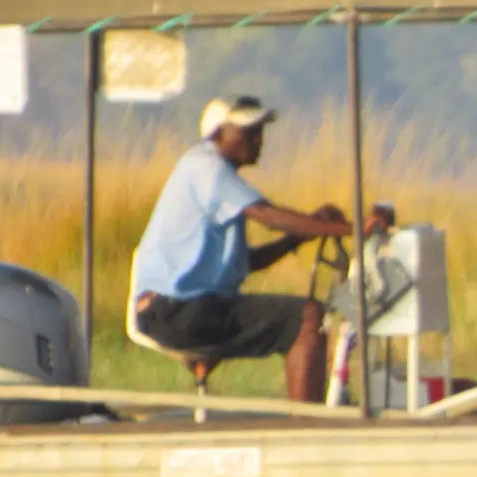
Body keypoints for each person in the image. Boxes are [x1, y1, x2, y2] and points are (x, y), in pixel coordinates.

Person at [130, 96, 362, 403]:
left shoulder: (213, 176)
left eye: (260, 131)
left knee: (302, 316)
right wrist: (357, 230)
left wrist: (297, 239)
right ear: (217, 134)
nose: (257, 139)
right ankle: (306, 429)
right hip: (175, 311)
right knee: (306, 317)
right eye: (247, 130)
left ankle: (307, 420)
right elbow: (267, 216)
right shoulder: (207, 168)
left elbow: (246, 263)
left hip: (182, 308)